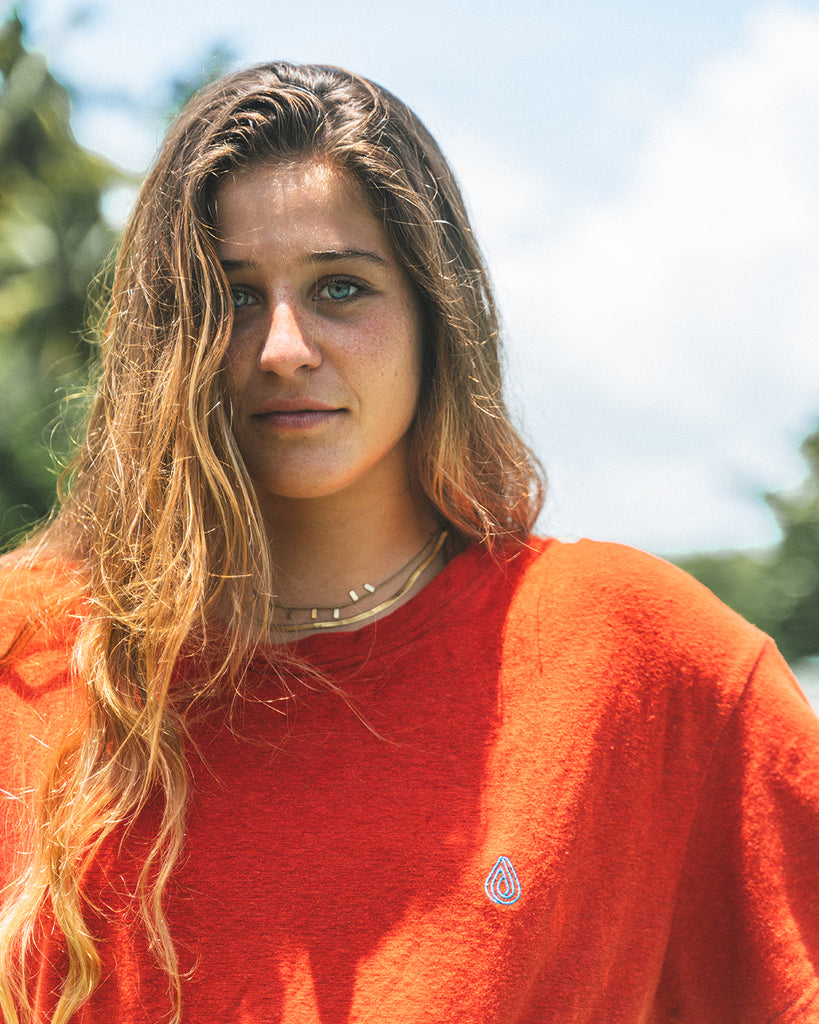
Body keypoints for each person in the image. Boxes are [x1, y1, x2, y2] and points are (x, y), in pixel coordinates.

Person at [0, 61, 817, 1024]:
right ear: (164, 333)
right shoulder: (28, 662)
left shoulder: (640, 663)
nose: (284, 347)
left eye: (341, 288)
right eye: (231, 296)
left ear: (441, 314)